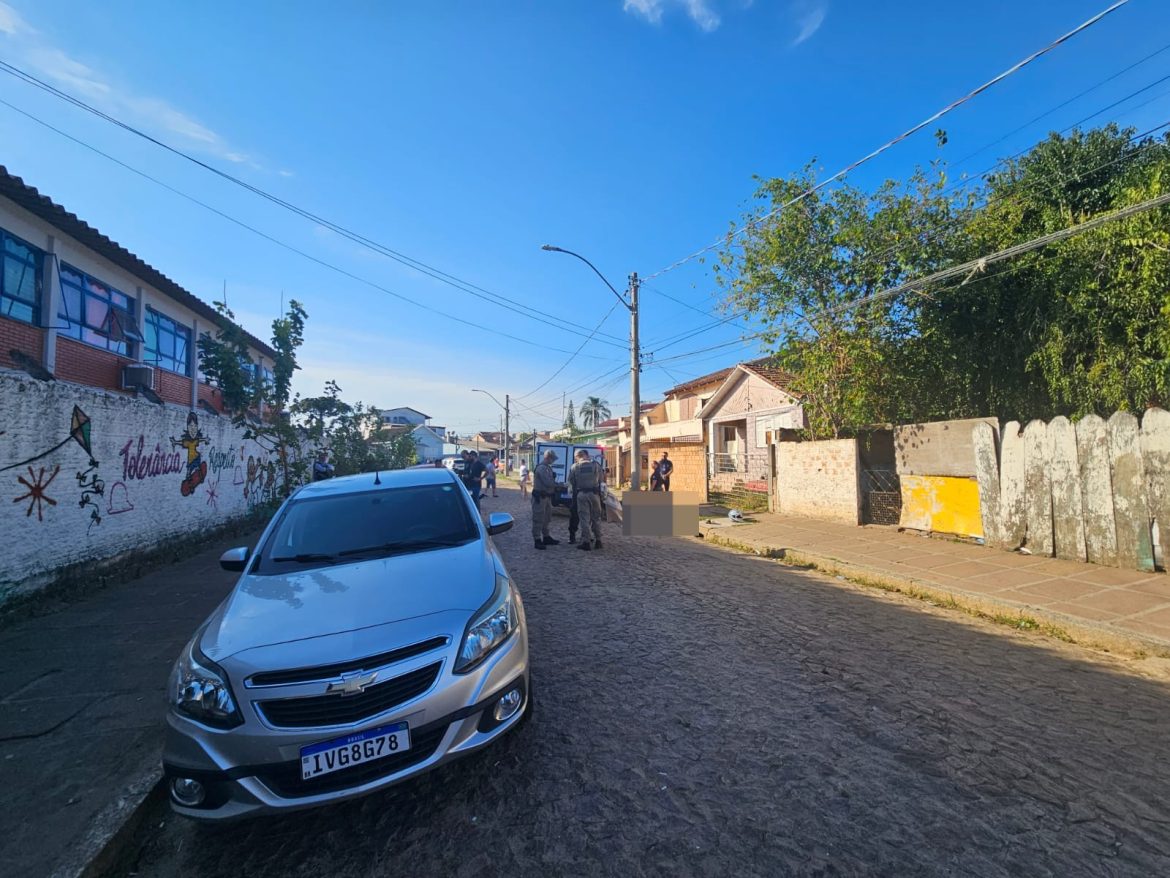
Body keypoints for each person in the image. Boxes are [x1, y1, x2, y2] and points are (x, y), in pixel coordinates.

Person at [569, 449, 604, 551]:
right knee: (596, 518)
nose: (575, 459)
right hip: (595, 495)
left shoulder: (575, 467)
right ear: (587, 455)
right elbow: (602, 479)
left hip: (582, 494)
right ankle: (598, 541)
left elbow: (571, 481)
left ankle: (586, 542)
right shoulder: (596, 465)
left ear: (578, 456)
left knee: (584, 518)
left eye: (575, 457)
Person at [531, 450, 559, 550]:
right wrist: (557, 485)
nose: (553, 461)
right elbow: (548, 482)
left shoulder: (547, 468)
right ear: (548, 457)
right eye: (552, 458)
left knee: (547, 518)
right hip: (540, 497)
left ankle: (546, 536)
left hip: (547, 497)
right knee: (538, 518)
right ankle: (537, 539)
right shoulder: (542, 468)